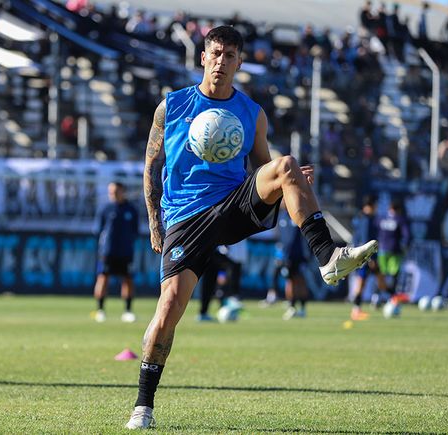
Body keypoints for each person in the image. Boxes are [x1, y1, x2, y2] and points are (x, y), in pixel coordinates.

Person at [125, 25, 378, 429]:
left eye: (230, 56)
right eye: (216, 53)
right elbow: (151, 167)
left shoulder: (251, 113)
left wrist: (287, 178)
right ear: (203, 57)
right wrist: (155, 222)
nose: (221, 62)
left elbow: (261, 164)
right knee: (170, 307)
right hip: (185, 218)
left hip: (232, 204)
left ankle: (328, 257)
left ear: (240, 62)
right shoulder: (170, 106)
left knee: (286, 164)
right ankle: (143, 405)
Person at [93, 182, 139, 323]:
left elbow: (135, 230)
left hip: (125, 251)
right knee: (103, 278)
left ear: (123, 191)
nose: (112, 194)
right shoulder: (106, 209)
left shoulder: (131, 209)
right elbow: (98, 229)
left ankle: (127, 311)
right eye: (111, 191)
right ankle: (100, 310)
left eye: (115, 191)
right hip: (108, 251)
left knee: (127, 280)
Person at [349, 196, 385, 320]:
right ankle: (356, 310)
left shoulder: (360, 218)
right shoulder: (366, 220)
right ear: (370, 206)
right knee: (361, 283)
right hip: (366, 256)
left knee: (380, 280)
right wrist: (370, 258)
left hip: (363, 255)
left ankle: (378, 300)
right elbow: (365, 241)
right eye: (374, 206)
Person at [375, 200, 409, 307]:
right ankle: (392, 298)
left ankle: (377, 297)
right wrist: (405, 247)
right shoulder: (400, 219)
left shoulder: (381, 218)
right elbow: (407, 235)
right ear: (398, 209)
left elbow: (375, 231)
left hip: (382, 250)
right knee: (394, 275)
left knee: (382, 275)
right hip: (394, 250)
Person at [279, 207, 310, 320]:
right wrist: (280, 255)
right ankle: (291, 307)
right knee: (289, 281)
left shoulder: (297, 214)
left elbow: (304, 237)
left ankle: (302, 308)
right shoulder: (282, 217)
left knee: (300, 280)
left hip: (299, 256)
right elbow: (281, 238)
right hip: (287, 256)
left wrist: (306, 254)